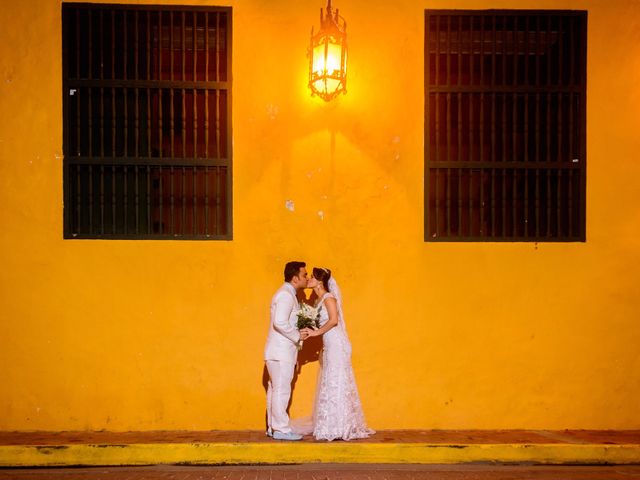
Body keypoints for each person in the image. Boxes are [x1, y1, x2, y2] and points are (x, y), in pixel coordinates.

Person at [299, 267, 374, 441]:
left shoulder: (329, 297)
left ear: (319, 281)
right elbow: (322, 323)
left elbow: (334, 320)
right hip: (329, 343)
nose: (309, 279)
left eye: (312, 277)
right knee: (330, 380)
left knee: (336, 380)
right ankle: (331, 423)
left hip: (337, 344)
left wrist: (316, 333)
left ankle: (341, 425)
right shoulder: (318, 301)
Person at [264, 261, 310, 441]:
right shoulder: (285, 295)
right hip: (281, 352)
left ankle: (272, 427)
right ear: (295, 277)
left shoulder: (288, 293)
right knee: (281, 391)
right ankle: (281, 429)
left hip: (279, 352)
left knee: (275, 391)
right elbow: (280, 322)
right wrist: (298, 335)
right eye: (304, 275)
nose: (306, 278)